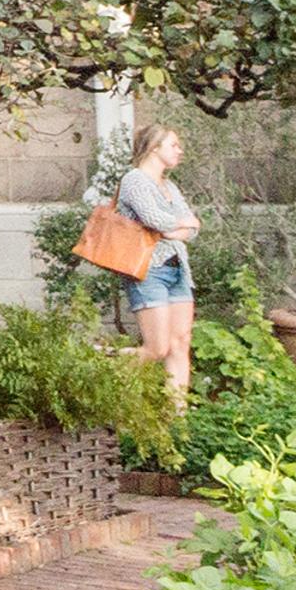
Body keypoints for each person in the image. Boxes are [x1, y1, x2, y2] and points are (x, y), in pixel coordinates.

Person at [114, 123, 197, 407]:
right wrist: (176, 226)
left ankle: (178, 419)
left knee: (180, 343)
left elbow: (193, 226)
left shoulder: (169, 186)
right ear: (154, 148)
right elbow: (154, 219)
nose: (180, 150)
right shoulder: (135, 180)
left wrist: (177, 228)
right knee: (157, 348)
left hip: (178, 269)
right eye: (174, 145)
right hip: (149, 270)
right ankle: (104, 365)